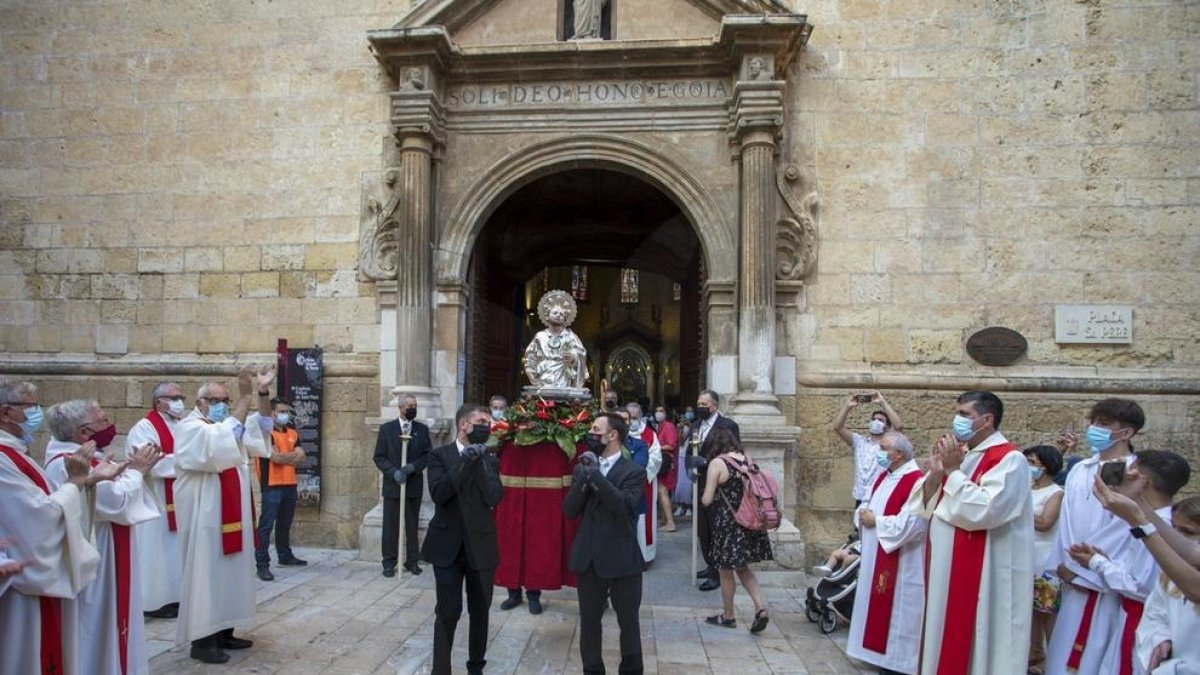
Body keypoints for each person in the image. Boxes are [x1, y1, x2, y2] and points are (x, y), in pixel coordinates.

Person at [908, 390, 1033, 674]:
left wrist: (952, 472)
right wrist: (938, 472)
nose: (957, 420)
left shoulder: (1009, 459)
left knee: (980, 641)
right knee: (942, 632)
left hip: (984, 572)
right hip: (945, 566)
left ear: (987, 420)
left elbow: (986, 511)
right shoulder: (961, 455)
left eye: (964, 414)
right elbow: (924, 504)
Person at [44, 399, 163, 675]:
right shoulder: (69, 463)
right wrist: (137, 471)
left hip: (107, 545)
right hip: (97, 552)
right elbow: (116, 503)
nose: (110, 425)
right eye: (103, 420)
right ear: (82, 432)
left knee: (110, 623)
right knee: (97, 624)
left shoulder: (83, 456)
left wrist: (127, 472)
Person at [0, 377, 108, 675]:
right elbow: (38, 516)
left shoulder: (16, 453)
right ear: (6, 413)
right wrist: (75, 482)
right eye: (30, 406)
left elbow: (46, 499)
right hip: (21, 586)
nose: (37, 413)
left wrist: (88, 481)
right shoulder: (2, 458)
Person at [173, 366, 275, 664]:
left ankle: (224, 631)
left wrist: (262, 393)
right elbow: (222, 440)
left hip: (232, 515)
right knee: (207, 575)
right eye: (215, 400)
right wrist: (244, 396)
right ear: (200, 401)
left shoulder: (228, 425)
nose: (222, 405)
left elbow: (264, 425)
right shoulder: (190, 427)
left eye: (226, 400)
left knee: (231, 574)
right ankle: (203, 642)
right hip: (205, 517)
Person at [1058, 450, 1190, 675]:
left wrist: (1096, 563)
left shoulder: (1162, 526)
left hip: (1140, 621)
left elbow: (1140, 586)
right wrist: (1103, 560)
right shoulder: (1152, 518)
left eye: (1128, 473)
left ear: (1141, 481)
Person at [1044, 398, 1145, 674]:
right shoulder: (1081, 469)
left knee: (1098, 654)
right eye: (1094, 422)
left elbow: (1126, 528)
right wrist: (1063, 565)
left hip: (1107, 582)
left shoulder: (1136, 474)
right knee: (1061, 652)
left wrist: (1089, 569)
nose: (1094, 429)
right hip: (1071, 574)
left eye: (1104, 424)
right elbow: (1066, 520)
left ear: (1127, 432)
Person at [421, 404, 504, 675]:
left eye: (487, 422)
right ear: (463, 425)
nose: (486, 426)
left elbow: (494, 497)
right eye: (480, 421)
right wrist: (466, 460)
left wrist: (479, 462)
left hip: (481, 546)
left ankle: (476, 667)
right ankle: (441, 669)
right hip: (447, 546)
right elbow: (440, 493)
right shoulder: (439, 456)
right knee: (448, 611)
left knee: (480, 612)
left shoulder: (490, 459)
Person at [564, 412, 645, 675]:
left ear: (613, 435)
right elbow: (570, 509)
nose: (591, 434)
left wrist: (596, 477)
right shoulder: (582, 468)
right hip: (588, 557)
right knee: (589, 622)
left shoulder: (633, 471)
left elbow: (624, 506)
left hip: (622, 558)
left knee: (628, 622)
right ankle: (592, 670)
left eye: (596, 429)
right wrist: (583, 479)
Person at [845, 431, 926, 674]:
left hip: (900, 560)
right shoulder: (885, 475)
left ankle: (895, 662)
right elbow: (866, 503)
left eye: (884, 448)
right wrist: (862, 515)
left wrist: (877, 522)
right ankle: (874, 654)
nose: (879, 453)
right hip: (874, 553)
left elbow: (914, 524)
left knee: (898, 611)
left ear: (899, 454)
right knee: (873, 603)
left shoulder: (916, 481)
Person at [699, 427, 773, 633]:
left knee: (725, 571)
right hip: (749, 521)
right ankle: (760, 608)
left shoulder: (718, 463)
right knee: (743, 568)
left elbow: (706, 499)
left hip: (727, 524)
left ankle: (728, 616)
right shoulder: (746, 459)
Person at [126, 381, 187, 619]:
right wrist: (188, 461)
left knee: (174, 550)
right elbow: (154, 463)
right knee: (155, 550)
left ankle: (175, 596)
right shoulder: (144, 428)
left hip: (178, 494)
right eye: (174, 397)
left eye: (181, 396)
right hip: (156, 497)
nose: (179, 401)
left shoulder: (181, 424)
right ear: (158, 401)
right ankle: (152, 600)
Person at [1134, 496, 1200, 674]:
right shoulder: (1168, 577)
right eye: (1173, 530)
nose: (1176, 539)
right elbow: (1155, 614)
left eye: (1187, 532)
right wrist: (1160, 639)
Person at [373, 393, 432, 577]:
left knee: (412, 524)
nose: (412, 408)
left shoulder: (421, 430)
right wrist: (393, 472)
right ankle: (389, 562)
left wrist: (412, 467)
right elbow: (379, 457)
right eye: (409, 405)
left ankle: (412, 560)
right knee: (391, 525)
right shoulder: (387, 429)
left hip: (412, 485)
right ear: (400, 407)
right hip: (393, 487)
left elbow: (428, 455)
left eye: (414, 405)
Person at [688, 389, 740, 592]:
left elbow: (732, 453)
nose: (700, 407)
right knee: (703, 529)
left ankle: (718, 573)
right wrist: (690, 467)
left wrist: (707, 462)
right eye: (698, 404)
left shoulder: (728, 426)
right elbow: (691, 450)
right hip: (700, 483)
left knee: (716, 529)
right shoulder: (696, 425)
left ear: (714, 405)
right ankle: (710, 564)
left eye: (704, 404)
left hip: (719, 486)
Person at [254, 398, 307, 581]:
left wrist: (285, 456)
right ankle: (262, 564)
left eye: (287, 411)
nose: (285, 415)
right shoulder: (266, 433)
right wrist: (290, 456)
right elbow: (275, 457)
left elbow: (302, 455)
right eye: (282, 411)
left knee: (285, 523)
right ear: (272, 413)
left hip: (290, 484)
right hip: (271, 485)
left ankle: (285, 555)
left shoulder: (292, 432)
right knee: (266, 526)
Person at [1024, 444, 1065, 675]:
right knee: (1028, 613)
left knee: (1047, 614)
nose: (1029, 467)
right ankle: (1033, 657)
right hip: (1025, 560)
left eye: (1033, 462)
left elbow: (1046, 522)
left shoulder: (1056, 493)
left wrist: (1017, 510)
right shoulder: (1026, 488)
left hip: (1044, 562)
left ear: (1046, 466)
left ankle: (1053, 662)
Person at [832, 391, 904, 509]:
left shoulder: (889, 444)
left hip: (879, 497)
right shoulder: (859, 442)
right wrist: (847, 406)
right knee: (858, 527)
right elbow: (837, 427)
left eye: (880, 420)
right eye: (874, 419)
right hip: (860, 497)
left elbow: (899, 426)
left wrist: (882, 402)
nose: (876, 422)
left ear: (887, 426)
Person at [524, 290, 587, 389]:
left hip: (563, 375)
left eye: (561, 314)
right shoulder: (540, 337)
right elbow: (531, 356)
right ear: (547, 316)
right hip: (543, 375)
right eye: (555, 313)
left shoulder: (571, 337)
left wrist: (572, 357)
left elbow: (581, 354)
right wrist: (530, 370)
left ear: (565, 319)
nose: (558, 315)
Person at [627, 402, 662, 564]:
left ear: (641, 417)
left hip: (644, 482)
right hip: (623, 484)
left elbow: (656, 457)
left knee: (644, 518)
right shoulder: (618, 433)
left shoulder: (649, 434)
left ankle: (644, 555)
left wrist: (640, 474)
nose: (632, 420)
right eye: (630, 417)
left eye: (635, 417)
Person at [653, 405, 679, 532]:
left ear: (666, 413)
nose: (658, 413)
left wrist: (653, 447)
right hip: (664, 462)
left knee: (662, 491)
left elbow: (671, 445)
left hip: (667, 462)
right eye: (656, 411)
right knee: (662, 491)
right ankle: (664, 519)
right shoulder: (661, 426)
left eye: (661, 411)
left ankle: (670, 522)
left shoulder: (668, 426)